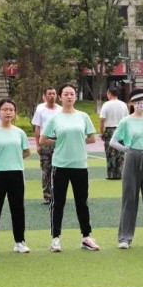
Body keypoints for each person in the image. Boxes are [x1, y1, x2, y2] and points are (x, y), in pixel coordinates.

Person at [40, 83, 100, 252]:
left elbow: (92, 138)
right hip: (60, 165)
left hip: (80, 164)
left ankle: (86, 237)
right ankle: (55, 238)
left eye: (72, 94)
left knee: (82, 202)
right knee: (58, 203)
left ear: (75, 96)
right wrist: (59, 142)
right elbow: (43, 140)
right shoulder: (55, 118)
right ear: (60, 97)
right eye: (66, 94)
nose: (69, 96)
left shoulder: (83, 116)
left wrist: (77, 141)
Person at [108, 88, 143, 249]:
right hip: (132, 158)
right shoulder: (126, 121)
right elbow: (113, 141)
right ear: (131, 103)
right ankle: (125, 238)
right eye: (138, 101)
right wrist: (128, 150)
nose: (141, 104)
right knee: (129, 197)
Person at [0, 98, 31, 255]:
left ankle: (19, 242)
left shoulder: (20, 133)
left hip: (17, 173)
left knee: (18, 208)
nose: (8, 112)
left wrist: (13, 159)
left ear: (15, 113)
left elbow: (26, 151)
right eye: (5, 109)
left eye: (11, 109)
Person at [32, 87, 59, 204]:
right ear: (45, 96)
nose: (52, 96)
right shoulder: (40, 110)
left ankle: (58, 194)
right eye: (49, 94)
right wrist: (37, 144)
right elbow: (37, 128)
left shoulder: (61, 110)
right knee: (46, 170)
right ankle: (47, 195)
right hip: (45, 142)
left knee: (59, 170)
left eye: (54, 93)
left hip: (58, 142)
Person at [100, 87, 129, 180]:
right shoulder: (123, 104)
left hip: (110, 130)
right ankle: (119, 174)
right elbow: (127, 120)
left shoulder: (106, 105)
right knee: (120, 153)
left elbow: (102, 120)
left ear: (110, 93)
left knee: (110, 153)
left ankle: (111, 175)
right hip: (121, 130)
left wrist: (102, 132)